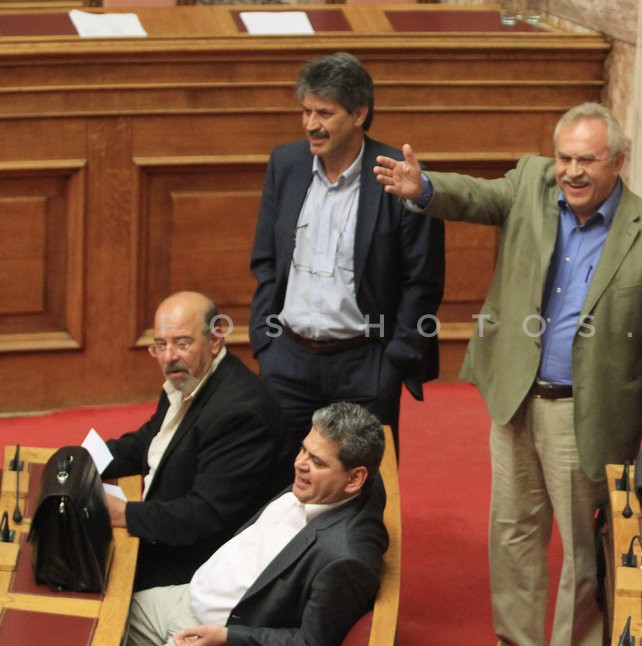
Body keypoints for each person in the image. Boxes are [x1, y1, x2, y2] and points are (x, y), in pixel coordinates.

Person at [375, 102, 642, 646]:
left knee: (584, 552)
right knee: (514, 538)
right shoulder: (531, 183)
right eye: (564, 157)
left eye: (586, 160)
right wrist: (424, 187)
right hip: (516, 398)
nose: (572, 171)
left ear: (618, 161)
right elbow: (477, 195)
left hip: (585, 413)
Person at [249, 52, 445, 469]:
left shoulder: (399, 175)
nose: (310, 125)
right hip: (287, 361)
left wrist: (393, 363)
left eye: (324, 112)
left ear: (359, 113)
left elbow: (422, 280)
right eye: (305, 111)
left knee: (362, 491)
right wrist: (266, 344)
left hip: (366, 364)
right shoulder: (285, 164)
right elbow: (266, 260)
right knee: (279, 485)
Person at [125, 401, 388, 646]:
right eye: (303, 449)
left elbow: (310, 642)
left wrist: (228, 637)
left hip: (213, 631)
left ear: (354, 480)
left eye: (317, 462)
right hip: (187, 595)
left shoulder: (345, 557)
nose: (299, 464)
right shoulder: (333, 486)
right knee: (103, 617)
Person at [102, 291, 286, 592]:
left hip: (200, 566)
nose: (169, 356)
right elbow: (152, 438)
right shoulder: (186, 376)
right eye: (160, 345)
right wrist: (90, 458)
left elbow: (203, 515)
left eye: (182, 343)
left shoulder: (240, 415)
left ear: (215, 341)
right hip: (166, 531)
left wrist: (124, 514)